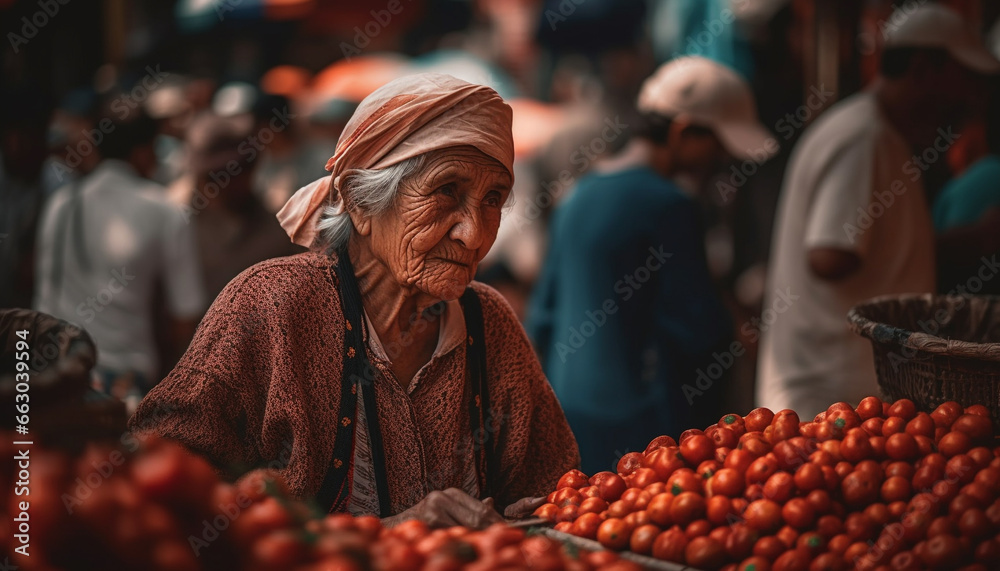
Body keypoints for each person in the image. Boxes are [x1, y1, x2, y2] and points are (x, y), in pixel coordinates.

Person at [129, 74, 579, 527]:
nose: (475, 234)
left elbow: (554, 483)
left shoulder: (489, 322)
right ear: (360, 204)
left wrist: (535, 514)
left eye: (493, 199)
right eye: (446, 191)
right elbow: (158, 492)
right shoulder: (271, 306)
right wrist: (384, 536)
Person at [527, 57, 775, 474]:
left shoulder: (579, 194)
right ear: (682, 132)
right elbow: (700, 329)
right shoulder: (671, 205)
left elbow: (543, 316)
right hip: (647, 428)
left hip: (571, 415)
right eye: (717, 146)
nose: (721, 161)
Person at [756, 4, 999, 419]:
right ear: (924, 68)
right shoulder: (864, 139)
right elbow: (831, 254)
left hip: (845, 403)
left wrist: (974, 239)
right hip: (828, 406)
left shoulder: (877, 135)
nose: (969, 99)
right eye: (964, 83)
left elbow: (879, 253)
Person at [33, 103, 207, 409]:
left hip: (51, 377)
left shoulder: (60, 204)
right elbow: (186, 316)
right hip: (126, 387)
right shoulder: (164, 210)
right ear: (142, 153)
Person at [167, 111, 303, 303]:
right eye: (215, 177)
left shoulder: (278, 224)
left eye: (237, 172)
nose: (226, 185)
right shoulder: (172, 217)